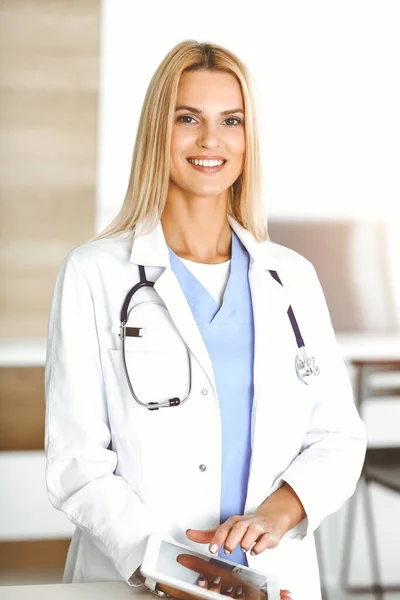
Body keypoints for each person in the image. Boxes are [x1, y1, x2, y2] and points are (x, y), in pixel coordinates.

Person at [44, 40, 367, 600]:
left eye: (231, 121)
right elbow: (77, 462)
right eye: (187, 118)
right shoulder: (94, 273)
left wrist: (275, 515)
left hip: (271, 581)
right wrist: (177, 570)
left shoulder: (289, 276)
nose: (210, 140)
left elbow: (338, 436)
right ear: (157, 132)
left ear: (248, 139)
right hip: (139, 575)